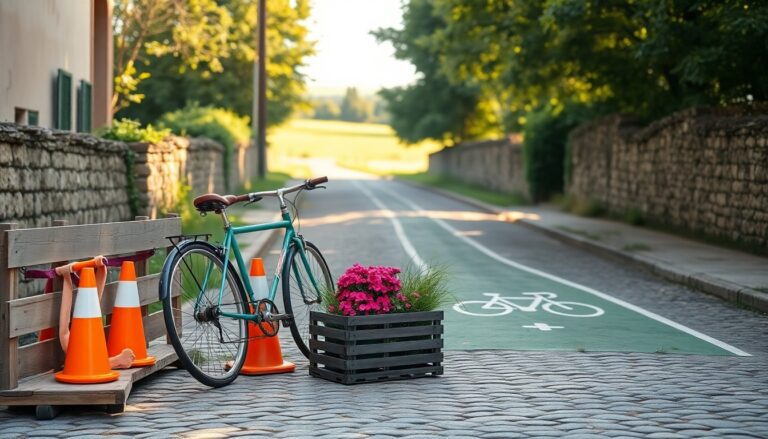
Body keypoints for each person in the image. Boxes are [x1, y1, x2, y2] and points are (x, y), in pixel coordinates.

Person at [55, 256, 136, 369]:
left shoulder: (74, 340)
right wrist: (66, 275)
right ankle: (115, 361)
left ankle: (115, 361)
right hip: (85, 361)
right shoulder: (71, 344)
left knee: (93, 303)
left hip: (91, 353)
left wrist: (67, 274)